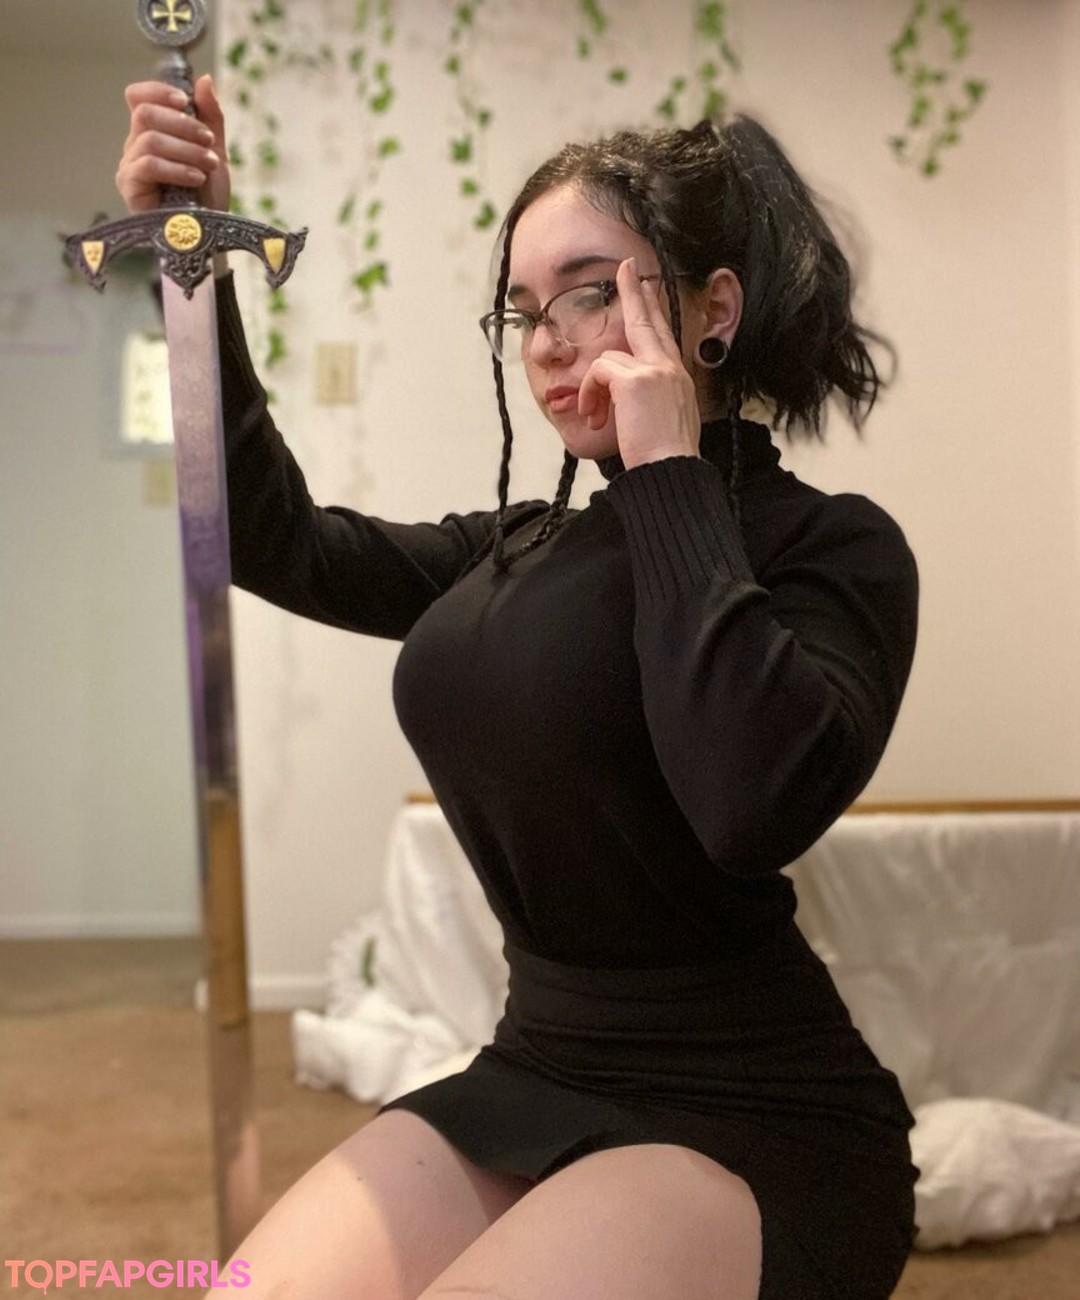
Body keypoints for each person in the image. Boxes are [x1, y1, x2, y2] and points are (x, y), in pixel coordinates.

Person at [118, 73, 920, 1300]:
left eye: (590, 292)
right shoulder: (515, 548)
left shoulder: (833, 547)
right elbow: (258, 536)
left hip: (762, 1112)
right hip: (537, 1068)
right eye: (523, 310)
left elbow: (750, 803)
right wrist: (190, 267)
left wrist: (667, 468)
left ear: (713, 308)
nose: (547, 340)